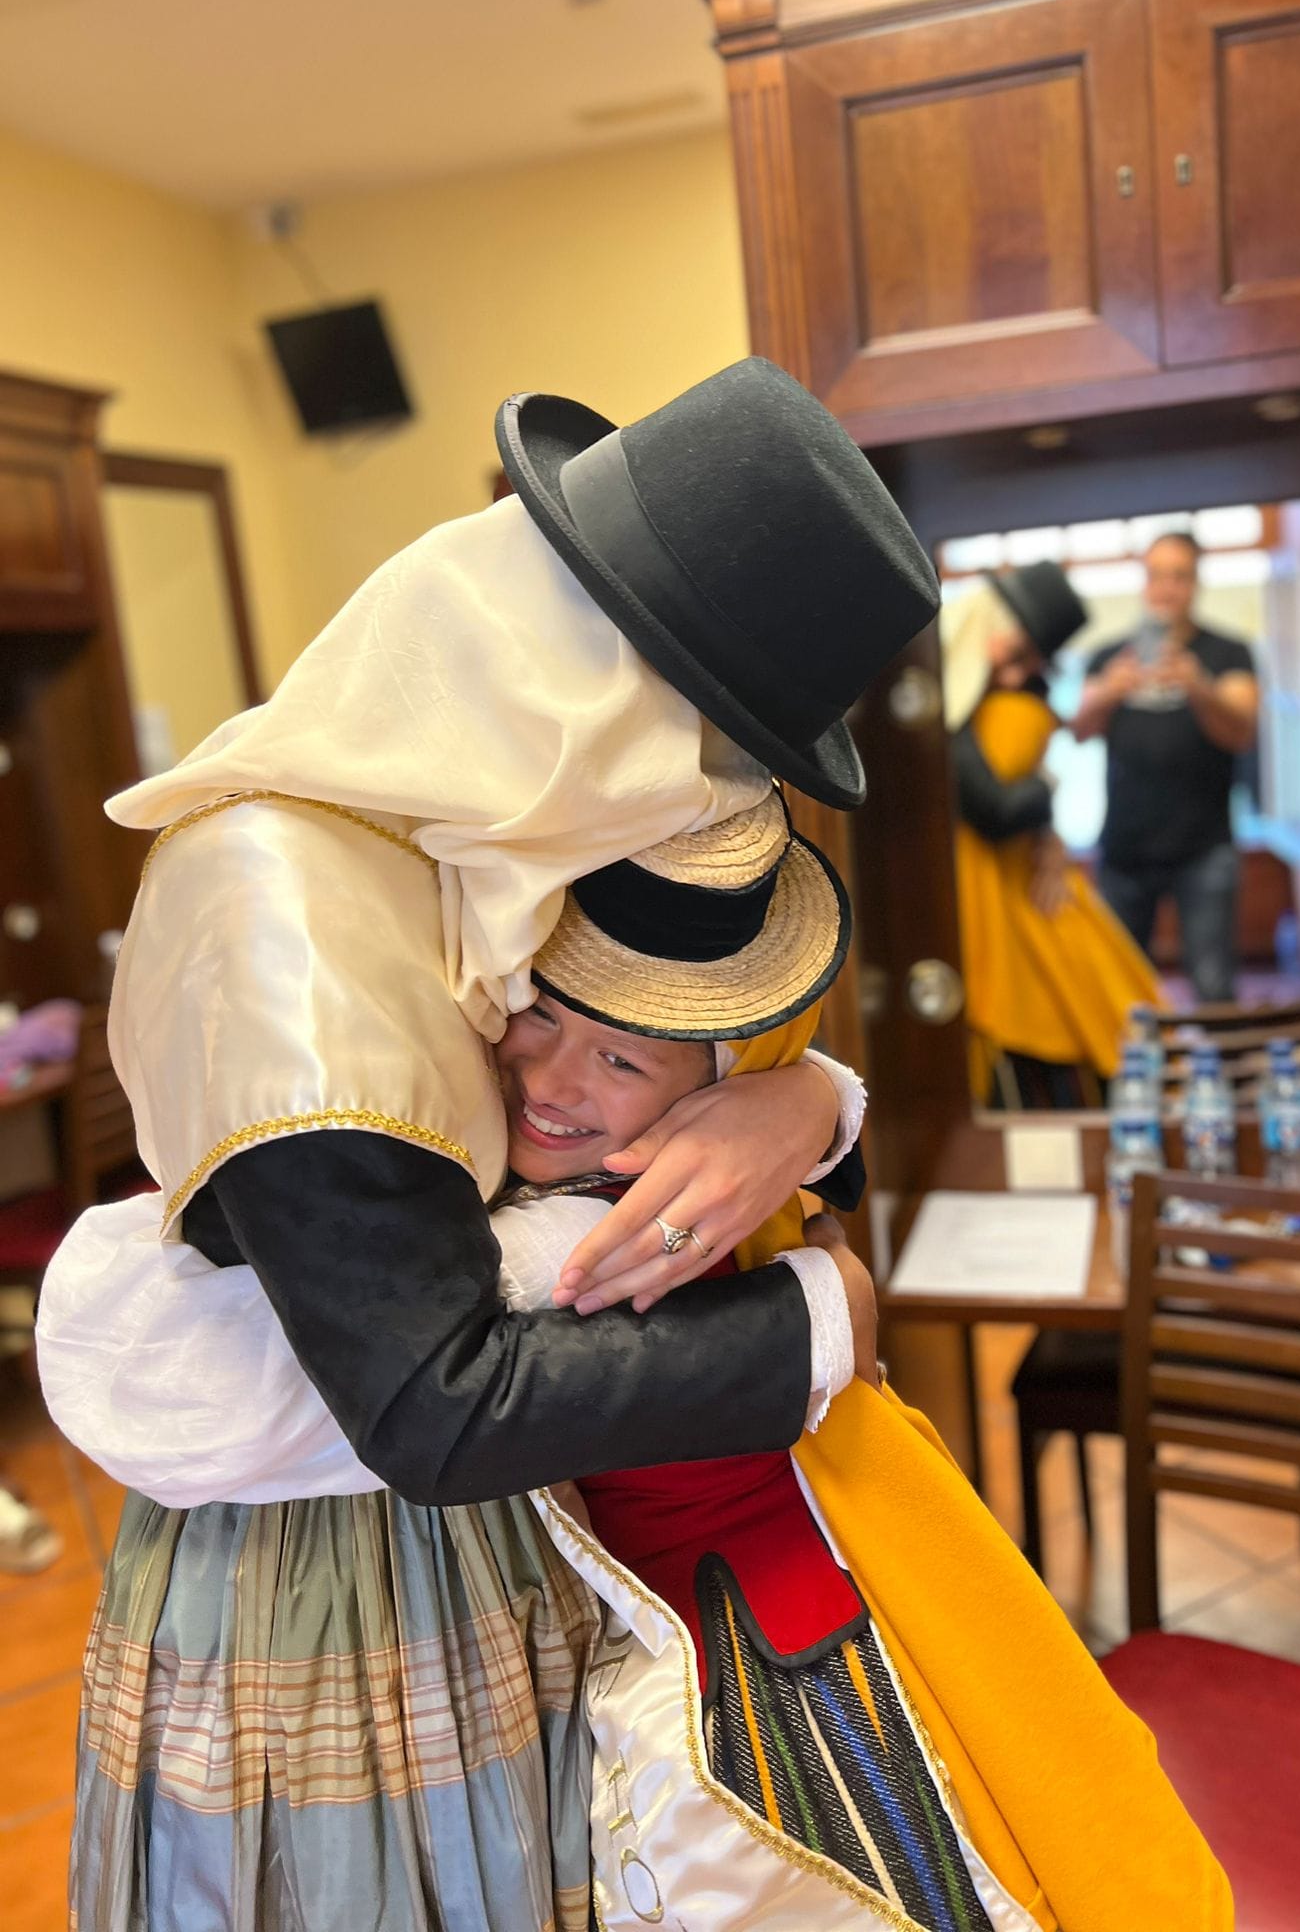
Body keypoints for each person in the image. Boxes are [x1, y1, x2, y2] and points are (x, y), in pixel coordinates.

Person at [39, 356, 941, 1932]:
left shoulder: (456, 830)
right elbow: (432, 1407)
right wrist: (821, 1315)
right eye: (712, 739)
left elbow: (644, 1052)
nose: (709, 794)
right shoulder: (283, 904)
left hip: (503, 1539)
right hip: (339, 1581)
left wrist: (803, 1101)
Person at [43, 794, 1233, 1932]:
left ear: (707, 1086)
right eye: (540, 1016)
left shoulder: (617, 1225)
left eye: (625, 1061)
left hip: (751, 1640)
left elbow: (295, 1377)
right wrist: (813, 1109)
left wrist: (808, 1139)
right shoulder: (499, 1159)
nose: (558, 1080)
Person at [943, 566, 1160, 1109]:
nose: (1014, 675)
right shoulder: (961, 704)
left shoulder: (1006, 705)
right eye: (1015, 655)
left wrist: (1044, 817)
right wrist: (1047, 788)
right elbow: (996, 807)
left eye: (1029, 664)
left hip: (1004, 878)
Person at [1073, 532, 1260, 1004]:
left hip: (1204, 848)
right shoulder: (1109, 657)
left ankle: (1219, 1059)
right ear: (1144, 581)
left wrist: (1199, 686)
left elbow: (1241, 731)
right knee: (1121, 992)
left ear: (1196, 583)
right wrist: (1110, 690)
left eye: (1179, 576)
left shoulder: (1228, 653)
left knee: (1214, 986)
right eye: (1157, 575)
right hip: (1124, 849)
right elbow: (1079, 730)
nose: (1167, 588)